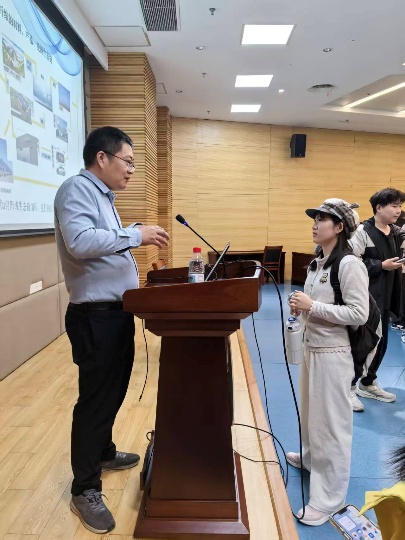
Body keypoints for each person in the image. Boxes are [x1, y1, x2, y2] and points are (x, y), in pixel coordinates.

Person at [54, 126, 170, 534]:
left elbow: (102, 241)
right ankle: (84, 488)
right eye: (128, 161)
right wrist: (135, 234)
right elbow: (81, 242)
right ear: (101, 158)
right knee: (96, 399)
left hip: (115, 312)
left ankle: (102, 451)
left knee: (114, 390)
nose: (132, 170)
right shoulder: (76, 189)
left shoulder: (102, 196)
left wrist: (130, 231)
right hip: (94, 317)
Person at [287, 199, 369, 526]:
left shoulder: (349, 265)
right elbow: (315, 303)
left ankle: (329, 500)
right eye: (315, 218)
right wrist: (300, 306)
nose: (315, 224)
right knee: (311, 416)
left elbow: (359, 313)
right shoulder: (316, 262)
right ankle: (310, 459)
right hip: (312, 349)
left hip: (334, 355)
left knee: (331, 428)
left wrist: (313, 307)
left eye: (322, 219)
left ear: (339, 227)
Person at [349, 188, 405, 411]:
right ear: (378, 208)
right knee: (363, 342)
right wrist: (380, 265)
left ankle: (368, 382)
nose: (398, 210)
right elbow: (350, 263)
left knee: (381, 342)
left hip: (389, 294)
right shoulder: (363, 231)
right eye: (394, 206)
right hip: (367, 297)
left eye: (400, 206)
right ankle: (349, 387)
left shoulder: (396, 232)